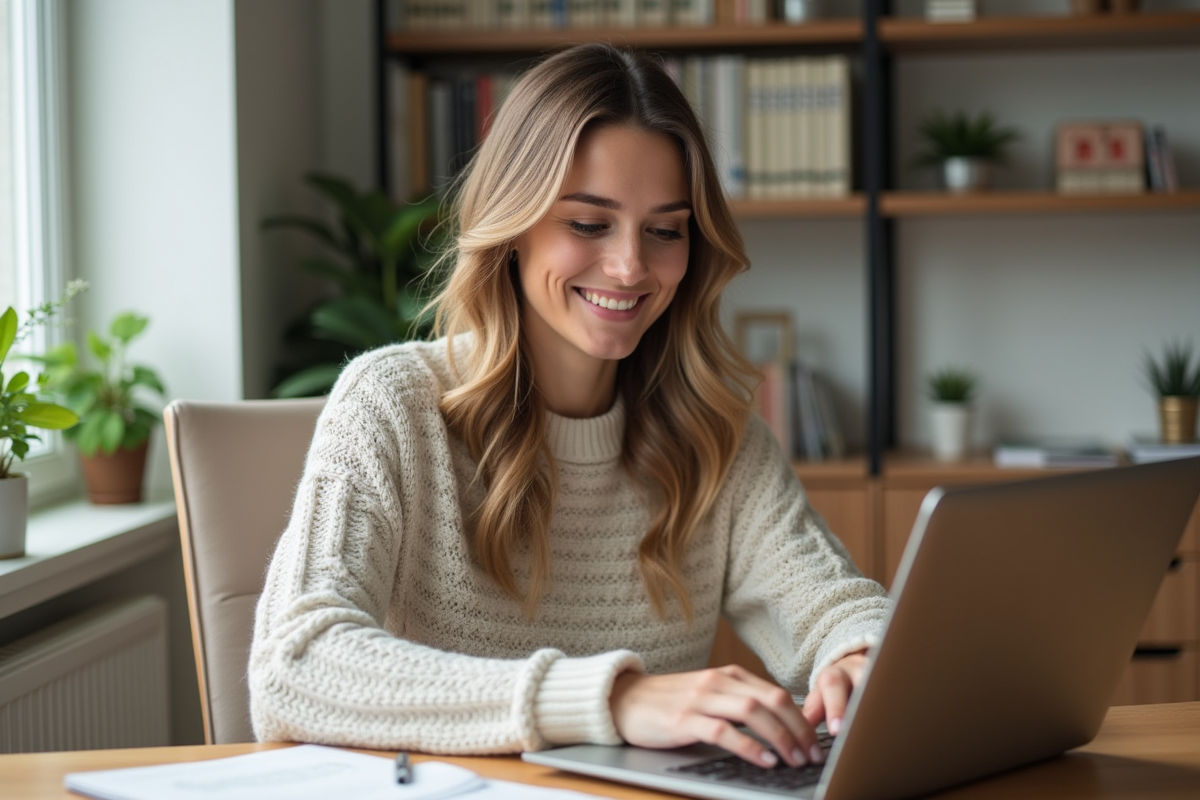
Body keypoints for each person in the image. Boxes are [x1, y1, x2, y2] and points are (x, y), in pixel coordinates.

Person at [249, 43, 891, 771]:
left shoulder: (716, 435)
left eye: (665, 229)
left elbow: (833, 608)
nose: (630, 267)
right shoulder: (393, 405)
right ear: (513, 225)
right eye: (588, 223)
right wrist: (609, 700)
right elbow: (291, 667)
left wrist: (858, 655)